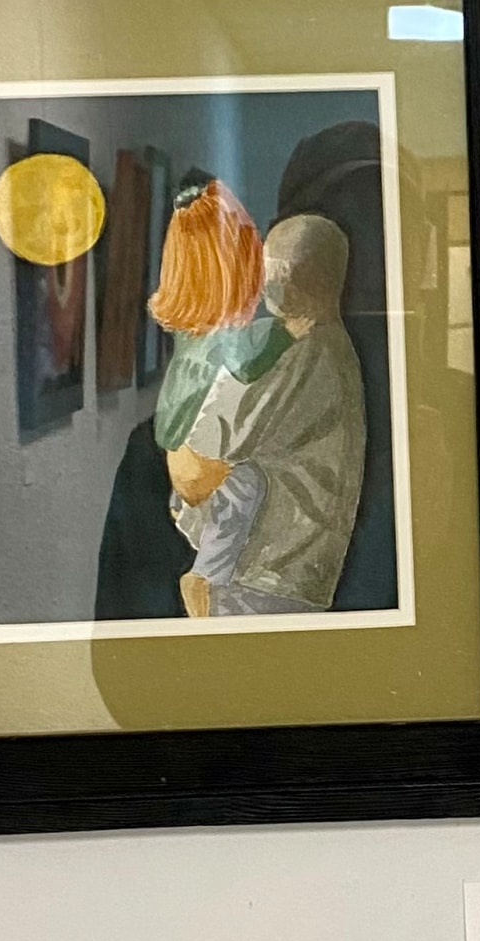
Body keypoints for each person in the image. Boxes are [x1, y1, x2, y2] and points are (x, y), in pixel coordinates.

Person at [167, 213, 366, 616]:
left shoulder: (289, 357)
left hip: (252, 586)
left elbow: (192, 477)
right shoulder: (337, 351)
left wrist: (180, 409)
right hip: (300, 582)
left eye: (266, 266)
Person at [141, 176, 294, 616]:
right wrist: (288, 333)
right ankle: (206, 575)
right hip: (197, 457)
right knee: (247, 489)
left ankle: (207, 566)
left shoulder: (190, 333)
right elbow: (249, 364)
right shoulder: (229, 337)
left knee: (233, 499)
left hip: (178, 452)